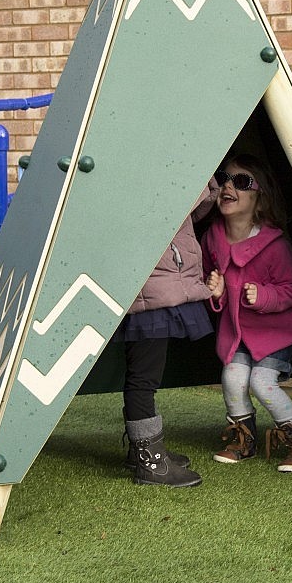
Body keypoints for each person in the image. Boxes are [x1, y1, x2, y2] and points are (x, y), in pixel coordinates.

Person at [201, 153, 292, 472]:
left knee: (261, 382)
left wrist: (264, 295)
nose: (229, 186)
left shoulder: (274, 244)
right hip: (239, 329)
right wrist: (216, 292)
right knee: (232, 377)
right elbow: (209, 280)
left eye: (241, 182)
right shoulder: (212, 238)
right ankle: (244, 439)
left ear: (260, 197)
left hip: (274, 331)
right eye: (224, 178)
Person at [119, 181, 217, 488]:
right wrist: (200, 173)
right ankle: (151, 463)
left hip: (158, 288)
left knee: (144, 378)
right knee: (143, 380)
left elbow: (199, 208)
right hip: (152, 292)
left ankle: (143, 451)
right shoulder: (154, 181)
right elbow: (183, 197)